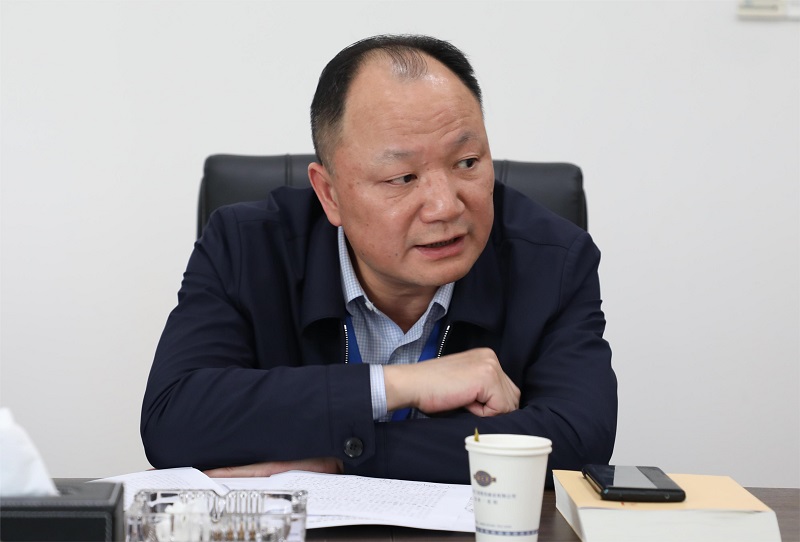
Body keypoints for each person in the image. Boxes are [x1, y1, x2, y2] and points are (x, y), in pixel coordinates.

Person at [141, 34, 617, 486]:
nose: (445, 206)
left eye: (467, 162)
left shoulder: (555, 260)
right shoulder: (246, 247)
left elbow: (576, 440)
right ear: (329, 194)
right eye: (402, 177)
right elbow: (173, 419)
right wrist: (397, 386)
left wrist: (342, 460)